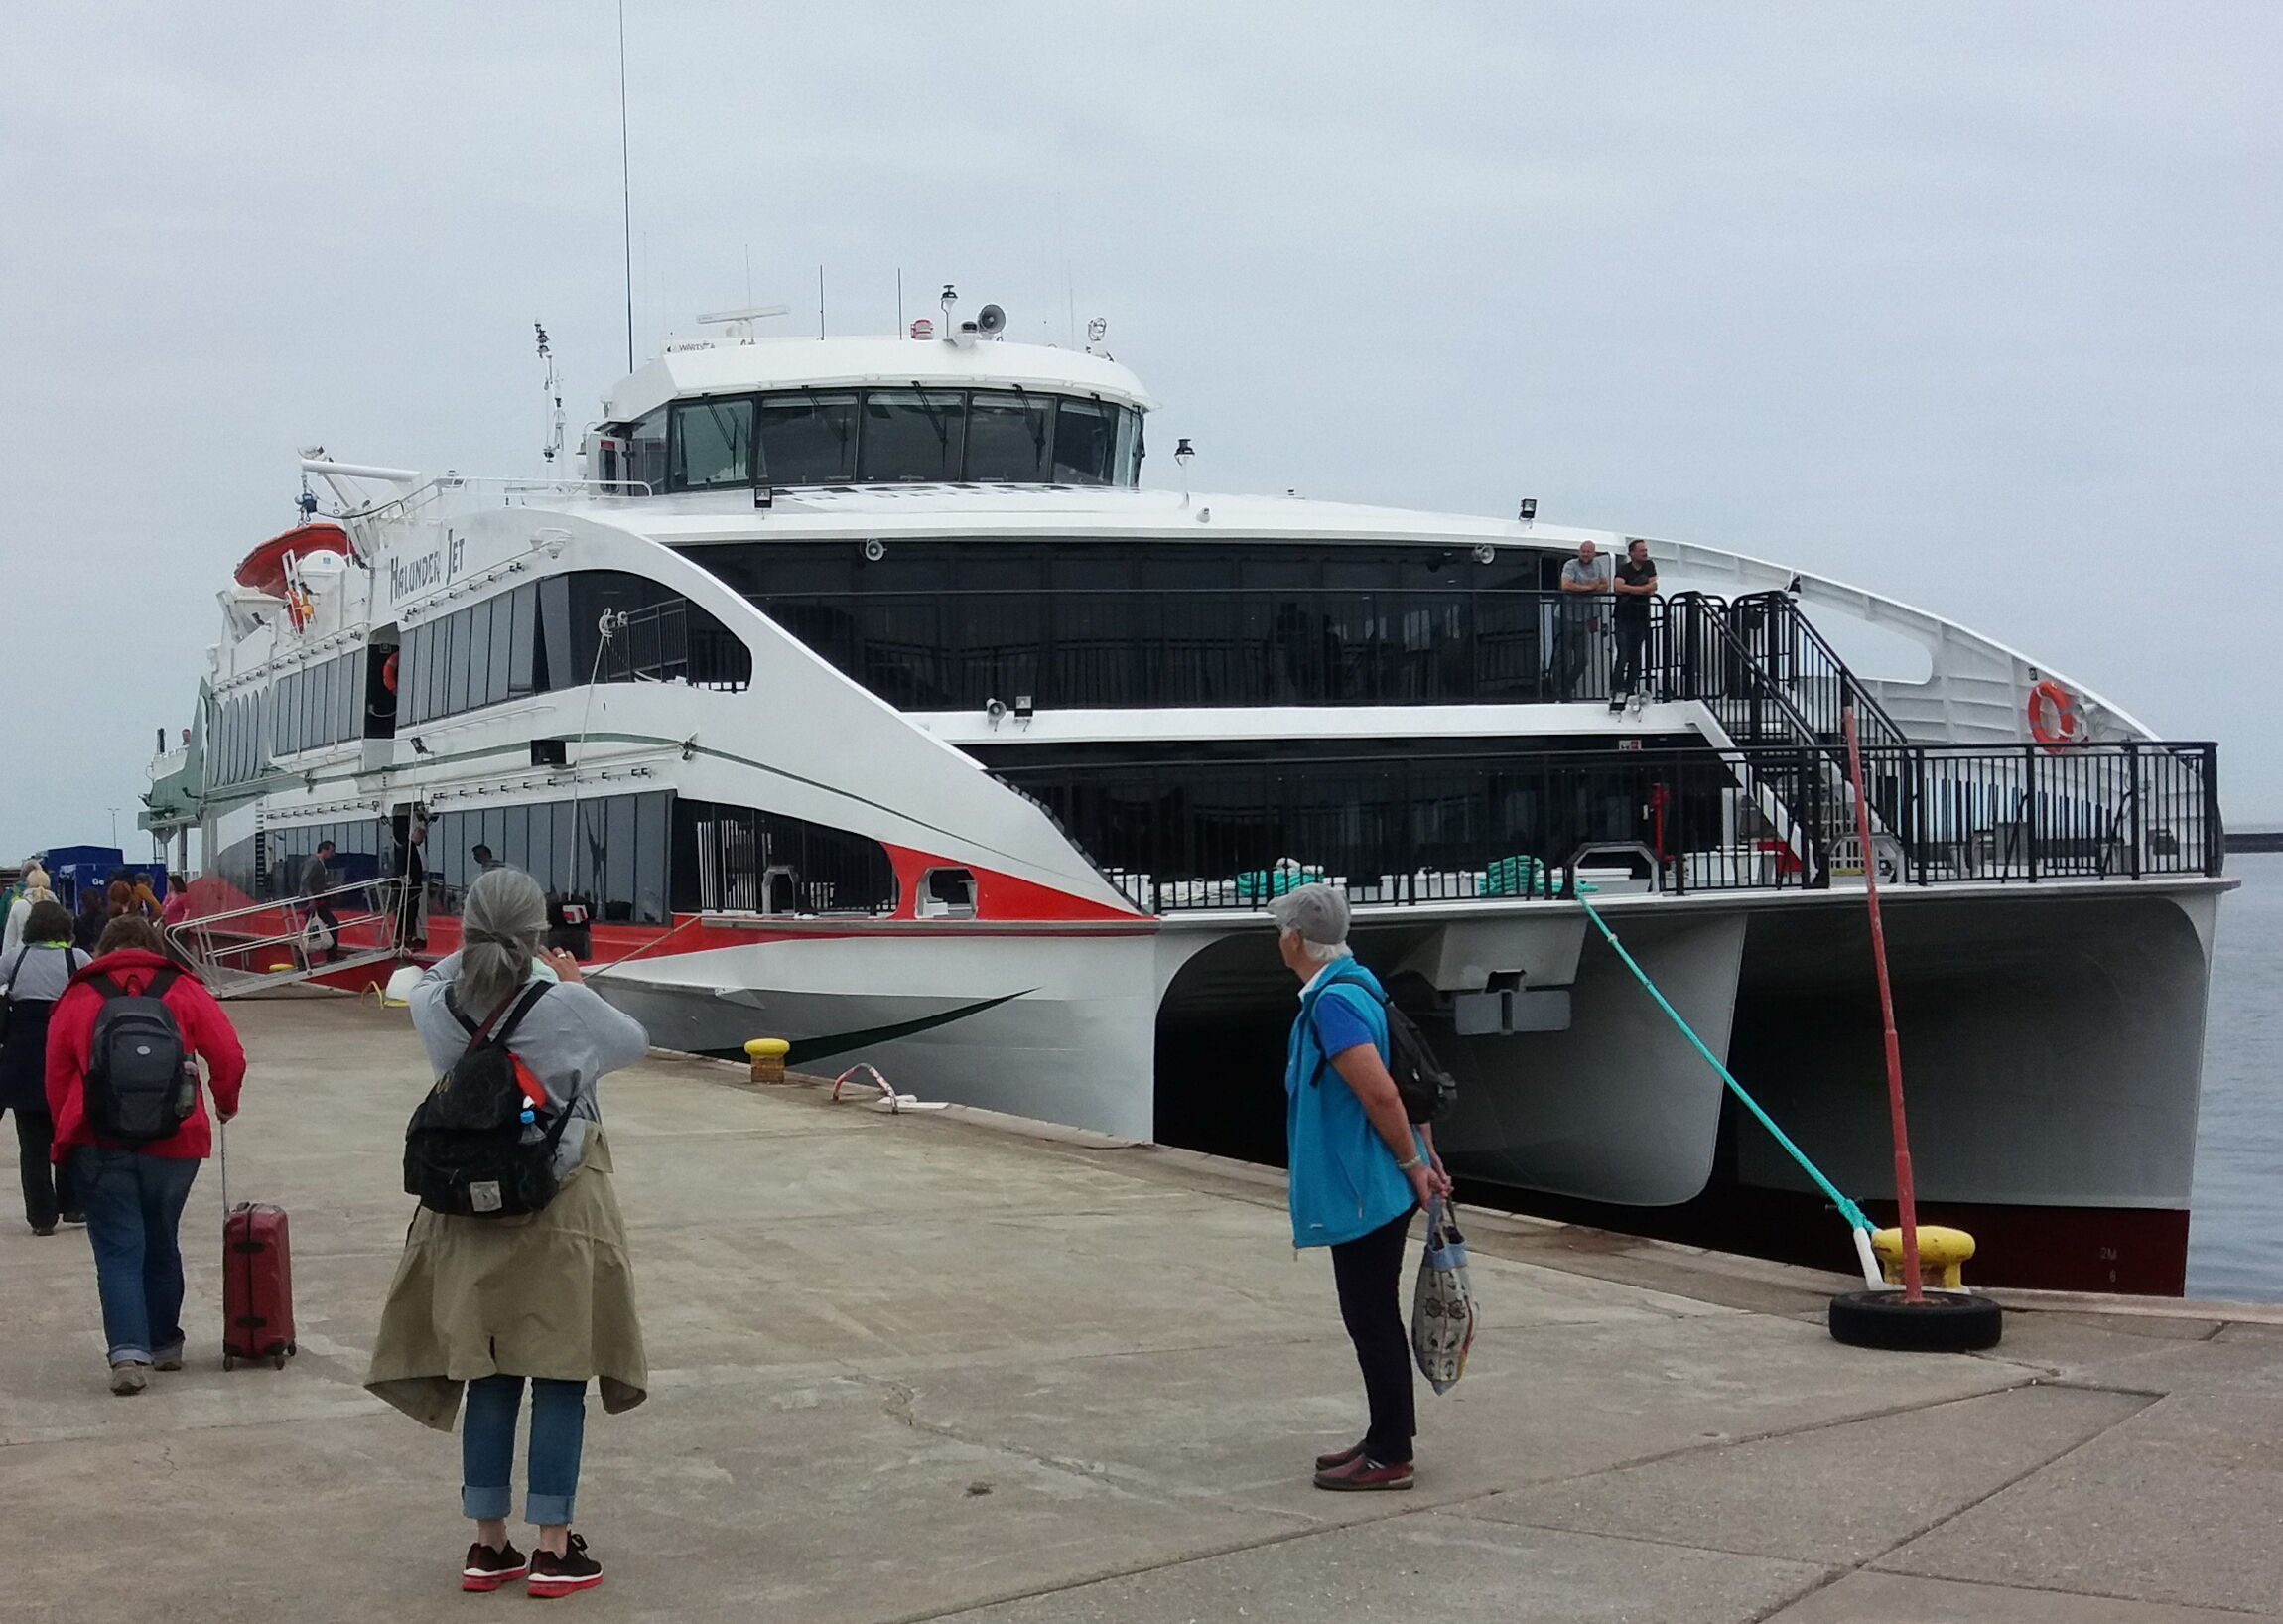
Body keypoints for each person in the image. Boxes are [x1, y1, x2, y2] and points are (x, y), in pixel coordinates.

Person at [367, 866, 650, 1597]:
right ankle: (553, 1548)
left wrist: (476, 949)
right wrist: (572, 981)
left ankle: (489, 1544)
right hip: (559, 1207)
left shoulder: (435, 1005)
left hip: (467, 1212)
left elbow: (434, 975)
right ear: (538, 934)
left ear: (467, 933)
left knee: (488, 1372)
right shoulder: (566, 1005)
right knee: (559, 1373)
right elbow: (634, 1043)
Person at [1268, 882, 1450, 1492]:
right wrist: (1425, 1153)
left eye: (1281, 930)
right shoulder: (1360, 984)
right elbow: (1408, 1072)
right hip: (1378, 1184)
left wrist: (1413, 1165)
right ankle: (1383, 1437)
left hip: (1366, 1189)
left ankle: (1390, 1454)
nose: (1279, 939)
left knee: (1370, 1319)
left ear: (1296, 939)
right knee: (1374, 1316)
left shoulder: (1333, 1004)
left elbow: (1381, 1092)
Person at [45, 916, 245, 1395]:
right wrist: (225, 1102)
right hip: (176, 1139)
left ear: (104, 948)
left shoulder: (79, 994)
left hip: (98, 1141)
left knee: (119, 1248)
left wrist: (64, 1131)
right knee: (161, 1238)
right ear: (155, 946)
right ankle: (164, 1344)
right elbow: (229, 1055)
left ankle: (128, 1356)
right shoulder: (183, 988)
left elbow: (54, 1073)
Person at [0, 899, 87, 1234]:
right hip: (65, 1058)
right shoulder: (77, 959)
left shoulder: (14, 959)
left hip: (22, 1060)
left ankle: (40, 1216)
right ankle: (73, 1204)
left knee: (32, 1146)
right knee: (69, 1135)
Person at [1609, 537, 1660, 711]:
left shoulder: (1649, 565)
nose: (1645, 553)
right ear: (1631, 553)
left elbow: (1653, 587)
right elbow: (1618, 586)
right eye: (1641, 550)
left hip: (1641, 617)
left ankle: (1630, 689)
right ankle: (1616, 689)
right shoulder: (1624, 569)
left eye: (1645, 550)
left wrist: (1633, 590)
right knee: (1623, 654)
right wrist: (1641, 590)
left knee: (1636, 656)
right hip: (1623, 617)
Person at [1555, 540, 1610, 700]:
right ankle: (1559, 692)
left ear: (1594, 553)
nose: (1585, 554)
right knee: (1562, 657)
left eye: (1589, 551)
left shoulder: (1597, 565)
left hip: (1584, 619)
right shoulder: (1570, 565)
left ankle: (1568, 684)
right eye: (1583, 551)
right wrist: (1590, 587)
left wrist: (1580, 587)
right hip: (1565, 617)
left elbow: (1604, 586)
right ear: (1579, 552)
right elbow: (1566, 585)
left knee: (1582, 659)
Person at [300, 840, 343, 963]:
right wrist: (310, 898)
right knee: (324, 925)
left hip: (317, 900)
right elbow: (305, 880)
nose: (333, 854)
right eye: (331, 851)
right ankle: (329, 955)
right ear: (323, 850)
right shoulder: (313, 861)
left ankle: (308, 959)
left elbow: (316, 881)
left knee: (314, 929)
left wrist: (330, 885)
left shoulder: (319, 862)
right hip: (312, 901)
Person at [3, 864, 54, 956]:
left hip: (21, 957)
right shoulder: (56, 907)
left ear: (27, 884)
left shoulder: (19, 905)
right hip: (51, 957)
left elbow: (9, 941)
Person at [70, 885, 108, 954]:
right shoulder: (106, 919)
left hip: (83, 952)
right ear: (99, 900)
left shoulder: (77, 922)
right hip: (103, 951)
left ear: (82, 903)